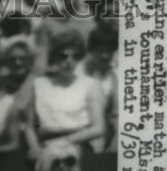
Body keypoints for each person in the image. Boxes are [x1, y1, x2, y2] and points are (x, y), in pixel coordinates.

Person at [24, 30, 107, 159]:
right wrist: (34, 147)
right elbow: (29, 126)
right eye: (63, 56)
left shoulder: (90, 85)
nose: (69, 61)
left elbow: (99, 127)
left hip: (78, 144)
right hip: (45, 146)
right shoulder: (39, 84)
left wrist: (64, 142)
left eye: (75, 56)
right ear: (55, 57)